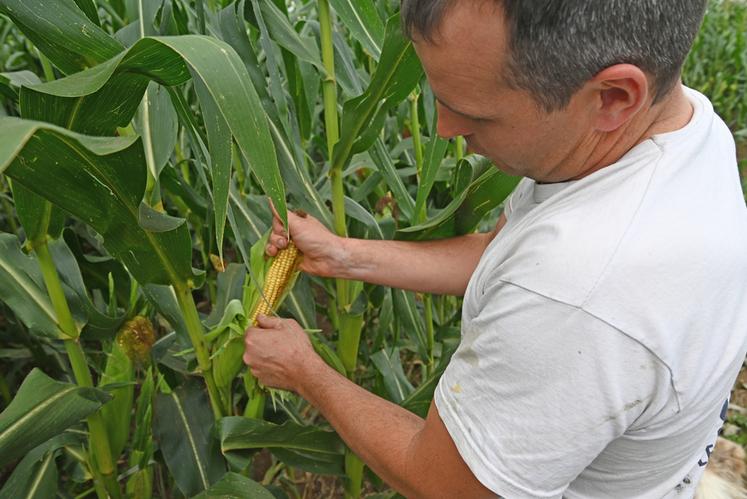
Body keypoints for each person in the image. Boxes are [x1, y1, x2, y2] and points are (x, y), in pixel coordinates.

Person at [243, 0, 747, 497]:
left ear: (614, 97)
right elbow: (504, 250)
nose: (444, 129)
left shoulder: (580, 292)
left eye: (473, 114)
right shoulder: (678, 130)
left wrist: (304, 371)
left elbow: (446, 484)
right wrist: (344, 255)